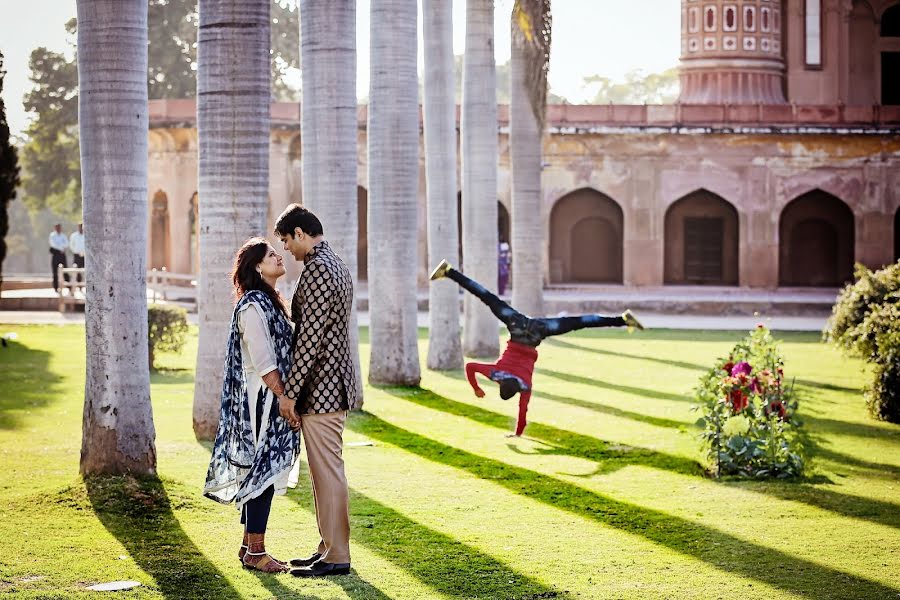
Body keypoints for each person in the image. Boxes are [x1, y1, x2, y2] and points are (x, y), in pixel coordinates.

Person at [430, 259, 645, 437]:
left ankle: (624, 319)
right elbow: (471, 368)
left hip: (538, 331)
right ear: (501, 383)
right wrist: (477, 387)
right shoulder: (495, 374)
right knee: (487, 297)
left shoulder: (525, 386)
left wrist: (518, 433)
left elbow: (522, 412)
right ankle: (449, 271)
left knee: (580, 322)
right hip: (517, 325)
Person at [204, 237, 301, 574]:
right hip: (263, 398)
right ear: (258, 266)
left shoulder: (270, 302)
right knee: (264, 470)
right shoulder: (252, 306)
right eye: (270, 254)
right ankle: (257, 552)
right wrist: (285, 398)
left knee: (265, 470)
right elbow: (264, 362)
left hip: (271, 396)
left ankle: (249, 548)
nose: (278, 256)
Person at [273, 204, 360, 578]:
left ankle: (337, 555)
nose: (287, 250)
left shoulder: (320, 269)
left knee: (328, 473)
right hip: (330, 383)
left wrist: (289, 393)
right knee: (324, 472)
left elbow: (310, 338)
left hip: (323, 387)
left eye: (286, 240)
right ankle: (327, 546)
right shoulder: (334, 264)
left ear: (301, 233)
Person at [48, 224, 68, 292]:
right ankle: (56, 288)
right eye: (57, 227)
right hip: (55, 255)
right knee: (55, 272)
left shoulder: (63, 236)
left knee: (65, 271)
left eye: (59, 227)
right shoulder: (52, 235)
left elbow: (66, 244)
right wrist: (61, 249)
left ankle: (69, 287)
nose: (58, 229)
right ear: (55, 228)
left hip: (62, 255)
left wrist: (60, 247)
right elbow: (53, 244)